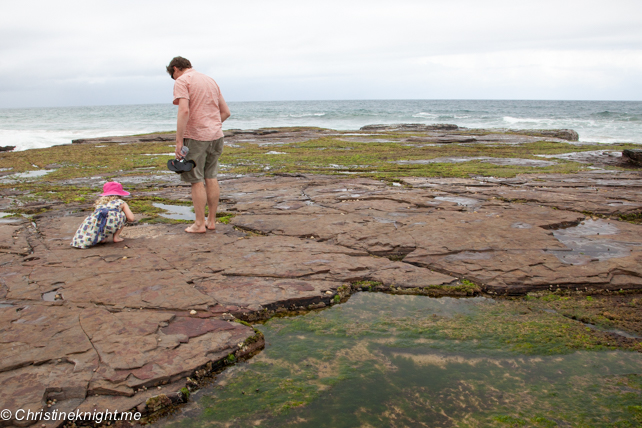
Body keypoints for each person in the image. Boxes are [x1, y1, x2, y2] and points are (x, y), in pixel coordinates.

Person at [166, 56, 231, 233]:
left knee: (196, 180)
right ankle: (211, 221)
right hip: (216, 136)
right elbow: (225, 112)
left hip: (195, 137)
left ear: (175, 69)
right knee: (211, 176)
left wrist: (179, 141)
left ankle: (199, 224)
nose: (174, 79)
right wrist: (212, 125)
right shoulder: (210, 80)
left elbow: (184, 110)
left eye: (173, 76)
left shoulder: (182, 81)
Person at [71, 182, 135, 249]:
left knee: (101, 218)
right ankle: (116, 237)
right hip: (112, 224)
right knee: (121, 215)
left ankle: (102, 238)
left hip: (99, 225)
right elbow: (131, 218)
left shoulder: (99, 203)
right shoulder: (121, 202)